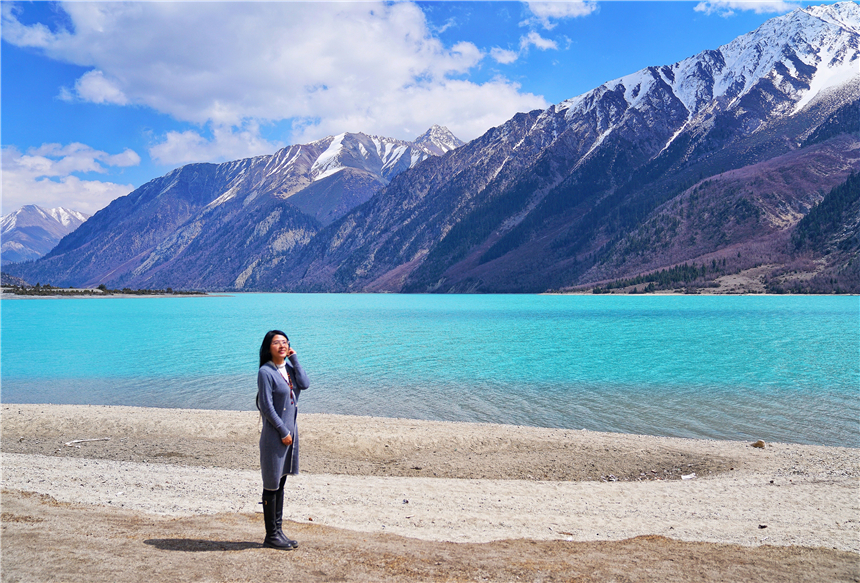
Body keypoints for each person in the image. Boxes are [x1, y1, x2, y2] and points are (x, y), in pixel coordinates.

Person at [256, 329, 310, 550]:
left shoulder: (288, 368)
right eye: (277, 343)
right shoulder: (265, 372)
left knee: (281, 482)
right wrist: (283, 431)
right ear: (268, 347)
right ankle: (271, 536)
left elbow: (304, 384)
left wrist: (295, 359)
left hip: (289, 436)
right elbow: (267, 407)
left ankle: (278, 531)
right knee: (271, 484)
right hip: (275, 437)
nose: (282, 346)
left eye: (285, 342)